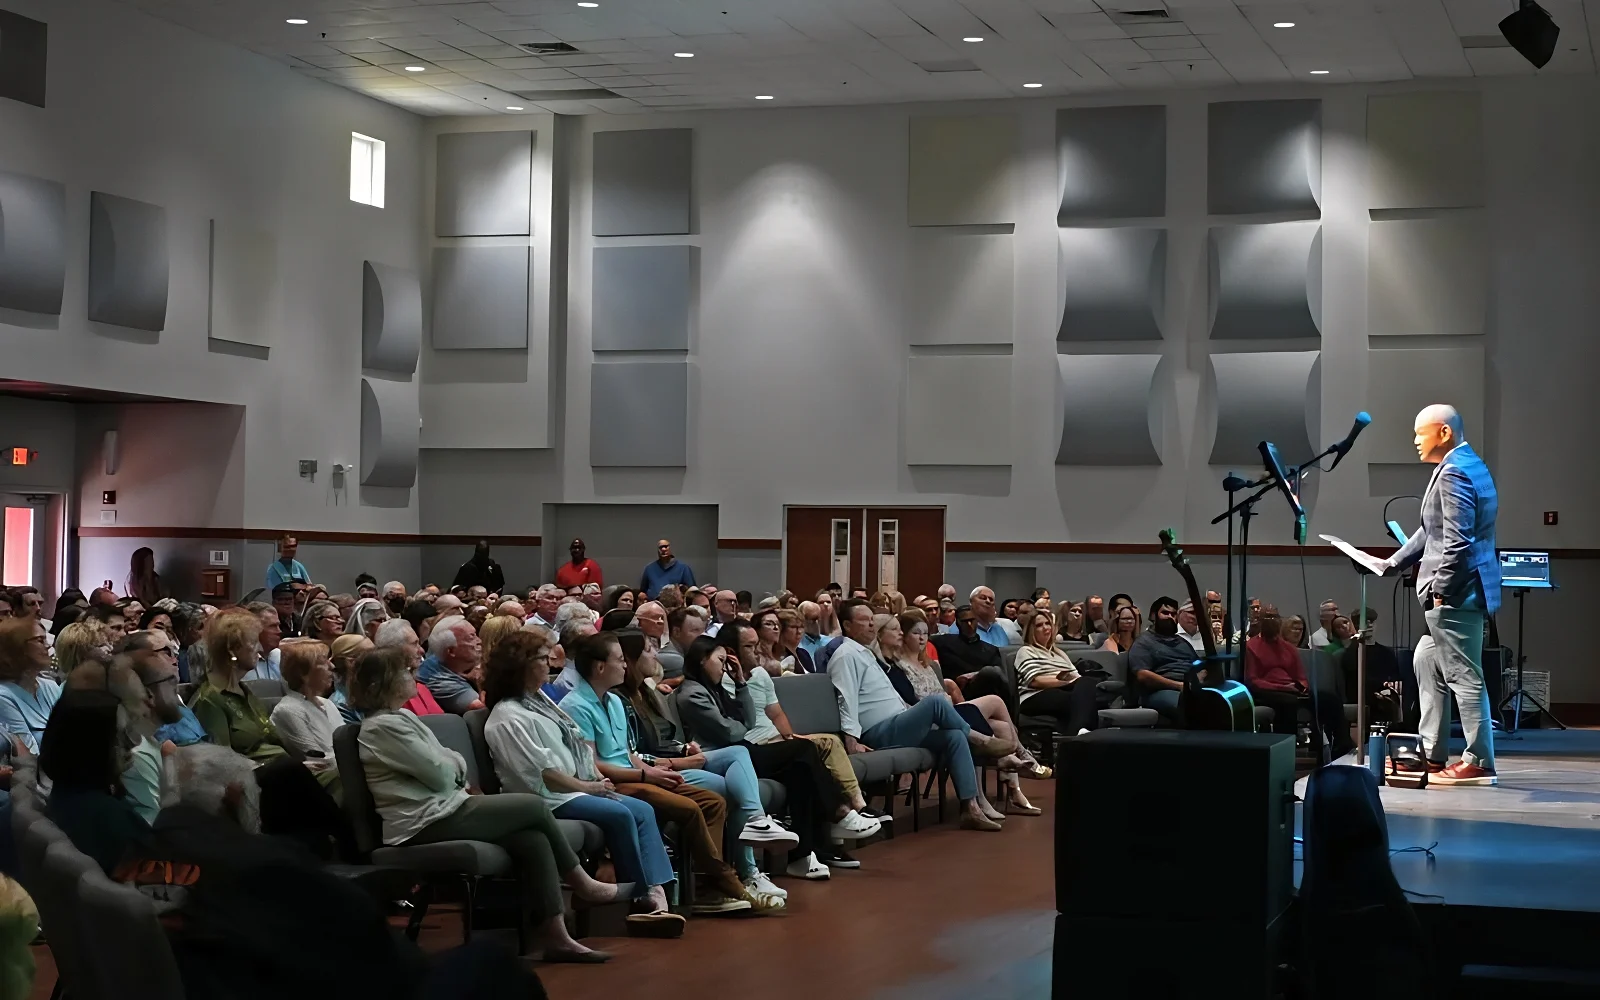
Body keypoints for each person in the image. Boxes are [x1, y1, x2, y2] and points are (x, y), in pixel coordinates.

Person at [349, 646, 626, 961]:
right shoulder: (382, 727)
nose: (415, 676)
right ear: (381, 683)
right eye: (407, 671)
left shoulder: (401, 717)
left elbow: (446, 764)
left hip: (446, 807)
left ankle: (557, 938)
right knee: (532, 807)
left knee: (532, 839)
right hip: (422, 822)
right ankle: (583, 884)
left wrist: (451, 764)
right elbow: (441, 774)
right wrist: (453, 765)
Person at [558, 633, 786, 913]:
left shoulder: (615, 701)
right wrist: (647, 776)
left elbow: (626, 754)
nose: (625, 665)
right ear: (600, 667)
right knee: (689, 808)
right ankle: (726, 881)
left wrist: (652, 770)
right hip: (614, 784)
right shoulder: (575, 706)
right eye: (619, 660)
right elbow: (593, 765)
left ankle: (711, 885)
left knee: (713, 802)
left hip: (637, 774)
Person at [481, 632, 685, 936]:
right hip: (545, 798)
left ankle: (658, 895)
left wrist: (592, 779)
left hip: (570, 789)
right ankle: (640, 900)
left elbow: (572, 747)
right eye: (543, 658)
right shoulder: (508, 715)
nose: (550, 664)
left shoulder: (539, 702)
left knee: (642, 810)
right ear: (522, 665)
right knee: (619, 813)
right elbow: (543, 774)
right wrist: (588, 787)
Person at [1351, 403, 1501, 785]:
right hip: (1460, 591)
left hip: (1455, 595)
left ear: (1444, 433)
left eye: (1421, 433)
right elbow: (1432, 529)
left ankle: (1479, 761)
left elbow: (1458, 542)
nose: (1415, 440)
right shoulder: (1463, 464)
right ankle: (1432, 753)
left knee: (1464, 676)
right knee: (1425, 659)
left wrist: (1441, 591)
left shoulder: (1454, 472)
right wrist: (1391, 563)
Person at [674, 633, 865, 878]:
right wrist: (740, 724)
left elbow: (748, 721)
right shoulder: (693, 693)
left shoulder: (714, 688)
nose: (724, 667)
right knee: (804, 749)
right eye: (720, 661)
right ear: (702, 660)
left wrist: (741, 683)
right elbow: (730, 732)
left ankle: (802, 856)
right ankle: (838, 811)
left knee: (801, 770)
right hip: (723, 758)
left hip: (741, 750)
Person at [828, 599, 1007, 831]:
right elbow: (846, 698)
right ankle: (979, 739)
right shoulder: (846, 655)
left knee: (954, 737)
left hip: (898, 724)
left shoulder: (866, 654)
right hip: (879, 732)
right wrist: (852, 740)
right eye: (864, 621)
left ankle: (971, 808)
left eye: (872, 620)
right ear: (847, 625)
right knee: (935, 703)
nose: (871, 625)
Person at [894, 610, 1046, 811]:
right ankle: (1018, 755)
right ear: (904, 636)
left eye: (925, 633)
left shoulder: (928, 665)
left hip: (949, 712)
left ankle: (1012, 791)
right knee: (994, 701)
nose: (922, 638)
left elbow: (940, 693)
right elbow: (915, 702)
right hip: (933, 719)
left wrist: (946, 699)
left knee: (1001, 726)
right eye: (916, 633)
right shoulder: (899, 666)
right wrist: (945, 700)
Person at [39, 689, 150, 874]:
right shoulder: (108, 817)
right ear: (91, 746)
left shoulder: (68, 796)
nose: (134, 742)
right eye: (120, 734)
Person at [1245, 605, 1355, 757]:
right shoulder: (1250, 647)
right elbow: (1253, 680)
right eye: (1268, 617)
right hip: (1266, 691)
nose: (1272, 621)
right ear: (1260, 621)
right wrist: (1282, 688)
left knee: (1330, 699)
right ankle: (1285, 752)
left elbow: (1299, 675)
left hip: (1292, 689)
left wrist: (1302, 687)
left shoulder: (1288, 648)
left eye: (1275, 617)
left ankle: (1342, 746)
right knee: (1288, 703)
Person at [190, 608, 285, 763]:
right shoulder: (210, 700)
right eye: (254, 642)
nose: (260, 649)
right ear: (232, 650)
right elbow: (222, 762)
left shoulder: (243, 690)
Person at [1013, 608, 1102, 737]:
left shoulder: (1059, 653)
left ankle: (1078, 733)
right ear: (1031, 630)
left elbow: (1076, 677)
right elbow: (1035, 681)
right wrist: (1066, 682)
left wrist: (1072, 681)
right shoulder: (1026, 651)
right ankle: (1079, 735)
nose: (1045, 627)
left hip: (1062, 690)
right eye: (1039, 625)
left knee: (1086, 686)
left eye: (1047, 623)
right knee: (1080, 700)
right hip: (1034, 696)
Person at [269, 639, 346, 775]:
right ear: (302, 673)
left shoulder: (327, 703)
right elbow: (319, 761)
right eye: (323, 662)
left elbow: (347, 746)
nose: (332, 666)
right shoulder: (288, 710)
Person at [1129, 597, 1199, 724]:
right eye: (1165, 613)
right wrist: (1179, 686)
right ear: (1153, 616)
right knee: (1189, 704)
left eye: (1173, 614)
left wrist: (1201, 676)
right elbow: (1143, 675)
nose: (1170, 617)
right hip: (1159, 691)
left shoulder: (1183, 642)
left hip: (1189, 687)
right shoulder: (1144, 642)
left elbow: (1198, 664)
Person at [0, 618, 62, 754]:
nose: (48, 646)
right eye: (40, 640)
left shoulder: (51, 686)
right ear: (17, 647)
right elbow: (29, 752)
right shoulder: (3, 696)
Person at [373, 619, 445, 716]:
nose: (422, 650)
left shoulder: (421, 688)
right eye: (414, 644)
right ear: (394, 649)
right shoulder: (384, 696)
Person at [418, 616, 485, 714]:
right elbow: (481, 707)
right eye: (472, 637)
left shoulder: (443, 656)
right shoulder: (440, 682)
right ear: (451, 651)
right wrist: (481, 682)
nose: (479, 641)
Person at [327, 633, 370, 723]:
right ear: (351, 663)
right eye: (371, 655)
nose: (379, 658)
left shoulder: (372, 694)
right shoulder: (341, 706)